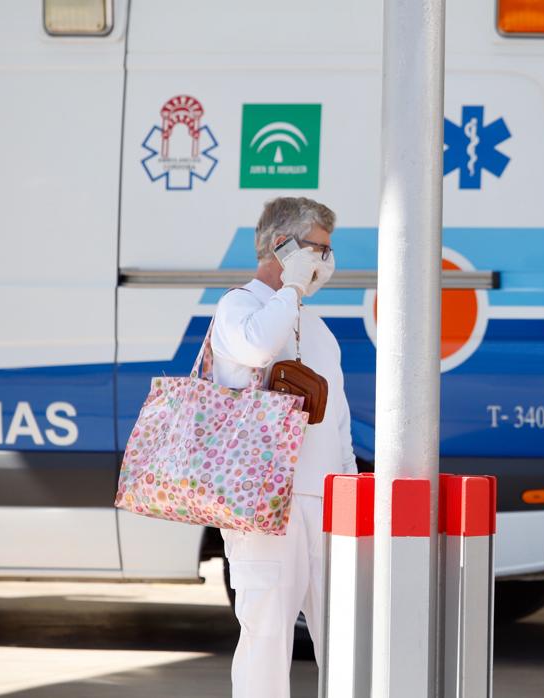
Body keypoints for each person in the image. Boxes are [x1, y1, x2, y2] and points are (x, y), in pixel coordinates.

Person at [210, 196, 356, 697]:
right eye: (316, 249)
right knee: (267, 634)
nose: (325, 262)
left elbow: (339, 424)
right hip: (263, 506)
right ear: (281, 245)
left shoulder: (319, 331)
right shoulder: (237, 308)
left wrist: (350, 495)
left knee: (344, 637)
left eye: (327, 252)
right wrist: (290, 288)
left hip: (324, 504)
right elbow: (256, 348)